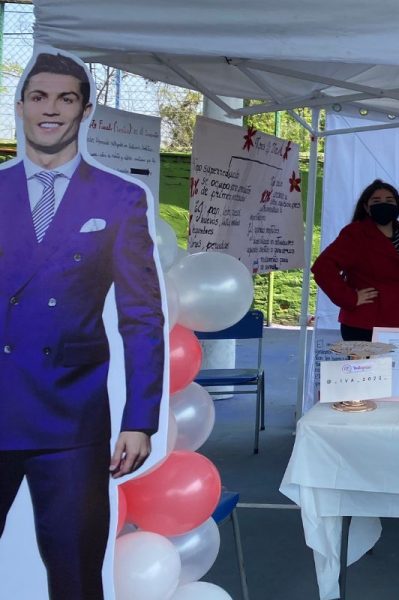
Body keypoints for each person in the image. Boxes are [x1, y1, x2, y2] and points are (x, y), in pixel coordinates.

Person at [0, 52, 165, 599]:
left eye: (65, 98)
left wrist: (140, 419)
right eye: (39, 97)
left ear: (85, 111)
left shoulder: (120, 200)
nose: (51, 110)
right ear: (20, 106)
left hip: (71, 422)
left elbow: (141, 318)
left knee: (75, 578)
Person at [312, 179, 399, 342]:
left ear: (398, 205)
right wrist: (350, 297)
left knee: (395, 368)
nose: (384, 204)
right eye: (376, 201)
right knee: (366, 368)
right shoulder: (356, 233)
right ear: (367, 207)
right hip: (365, 322)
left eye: (390, 200)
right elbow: (322, 268)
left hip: (398, 320)